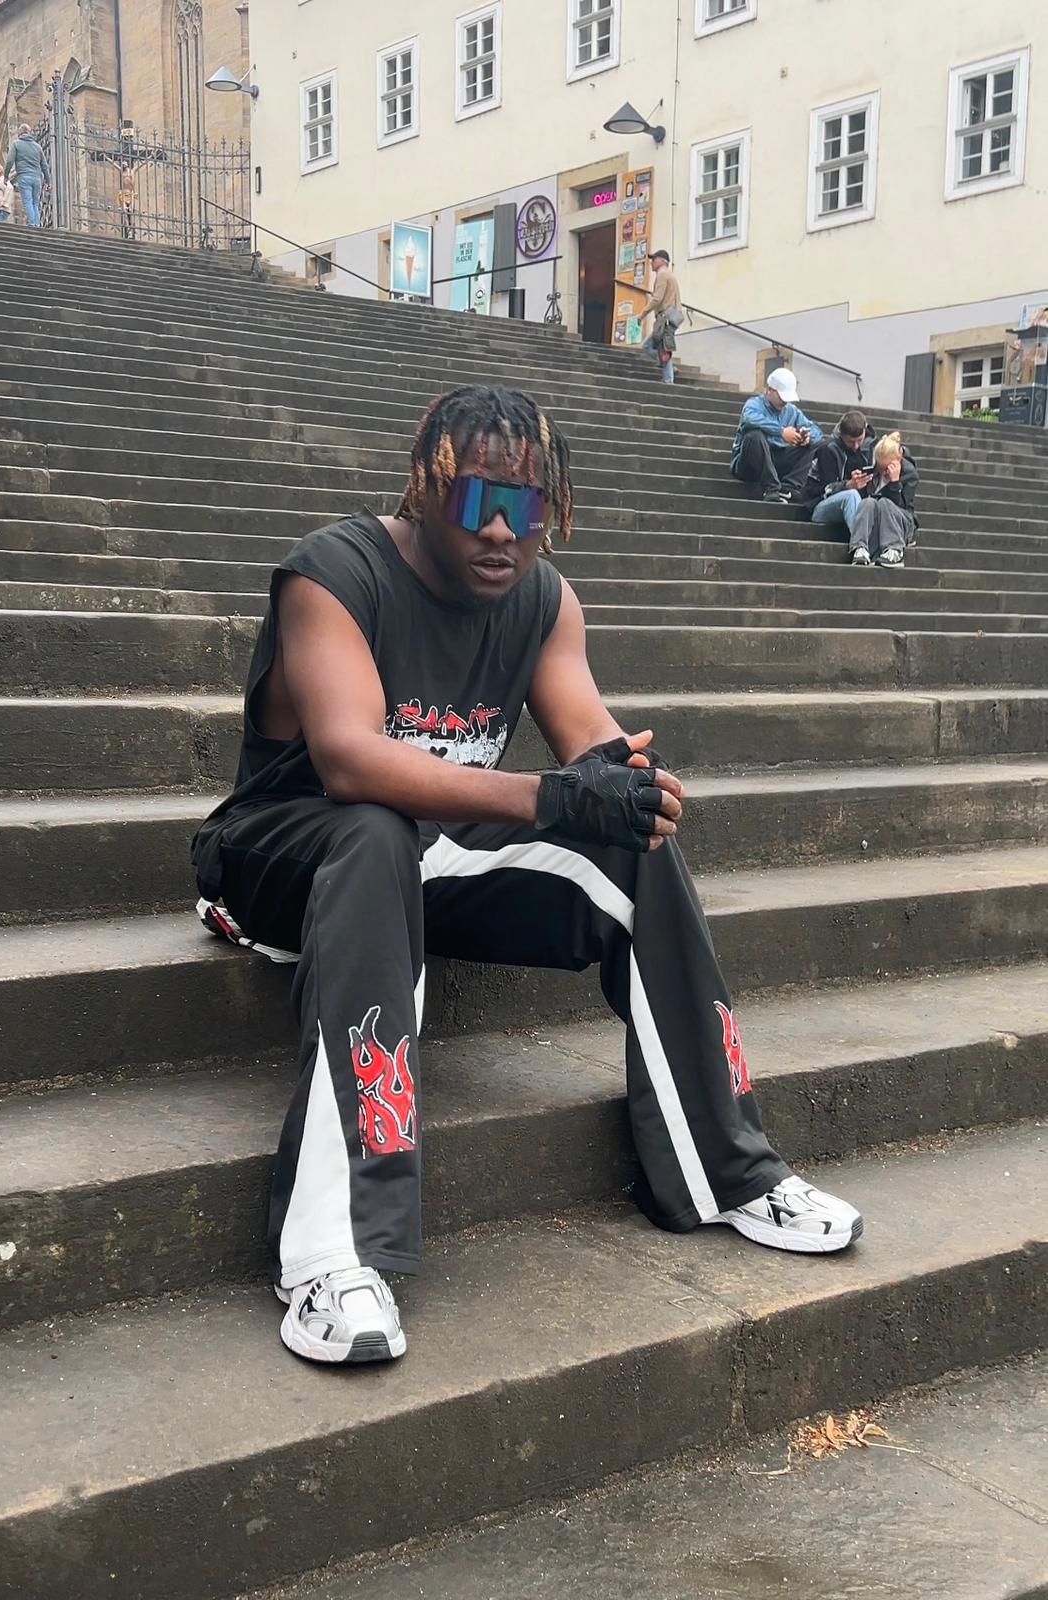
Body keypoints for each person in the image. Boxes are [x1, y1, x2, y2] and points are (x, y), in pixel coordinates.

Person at [190, 385, 863, 1367]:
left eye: (528, 507)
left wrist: (625, 789)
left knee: (632, 847)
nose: (503, 532)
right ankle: (334, 1251)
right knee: (374, 830)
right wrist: (551, 797)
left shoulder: (544, 602)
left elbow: (589, 742)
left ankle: (728, 1167)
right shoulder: (334, 572)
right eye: (478, 502)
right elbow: (348, 760)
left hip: (426, 854)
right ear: (424, 490)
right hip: (279, 851)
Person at [730, 368, 823, 503]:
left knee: (817, 444)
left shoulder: (792, 411)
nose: (784, 402)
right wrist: (781, 432)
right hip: (749, 463)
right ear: (769, 390)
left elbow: (816, 431)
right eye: (781, 397)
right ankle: (771, 488)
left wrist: (807, 437)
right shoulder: (754, 404)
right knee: (754, 436)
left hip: (776, 460)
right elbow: (749, 419)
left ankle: (789, 486)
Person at [804, 409, 875, 550]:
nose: (856, 446)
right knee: (851, 495)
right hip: (820, 505)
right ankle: (861, 547)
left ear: (865, 430)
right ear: (842, 435)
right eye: (851, 442)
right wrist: (847, 485)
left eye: (859, 440)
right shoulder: (828, 450)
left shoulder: (871, 447)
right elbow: (823, 490)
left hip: (860, 505)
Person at [849, 432, 919, 569]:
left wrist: (894, 483)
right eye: (880, 468)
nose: (883, 472)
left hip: (901, 521)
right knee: (868, 502)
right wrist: (856, 484)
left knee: (884, 503)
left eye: (886, 468)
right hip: (876, 521)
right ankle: (860, 547)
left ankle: (894, 549)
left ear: (899, 458)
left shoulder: (909, 474)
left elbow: (903, 505)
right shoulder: (871, 471)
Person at [638, 250, 683, 385]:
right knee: (661, 347)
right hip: (672, 316)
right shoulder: (669, 275)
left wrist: (642, 314)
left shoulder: (662, 275)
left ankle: (669, 380)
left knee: (651, 347)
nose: (651, 262)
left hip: (666, 317)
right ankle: (670, 369)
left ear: (663, 261)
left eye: (654, 259)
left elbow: (657, 299)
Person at [2, 124, 50, 228]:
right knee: (35, 203)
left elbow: (9, 161)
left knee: (28, 201)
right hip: (37, 178)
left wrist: (6, 176)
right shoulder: (38, 147)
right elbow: (44, 165)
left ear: (20, 133)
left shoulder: (16, 144)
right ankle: (37, 224)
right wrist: (48, 181)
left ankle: (32, 224)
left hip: (24, 176)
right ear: (29, 133)